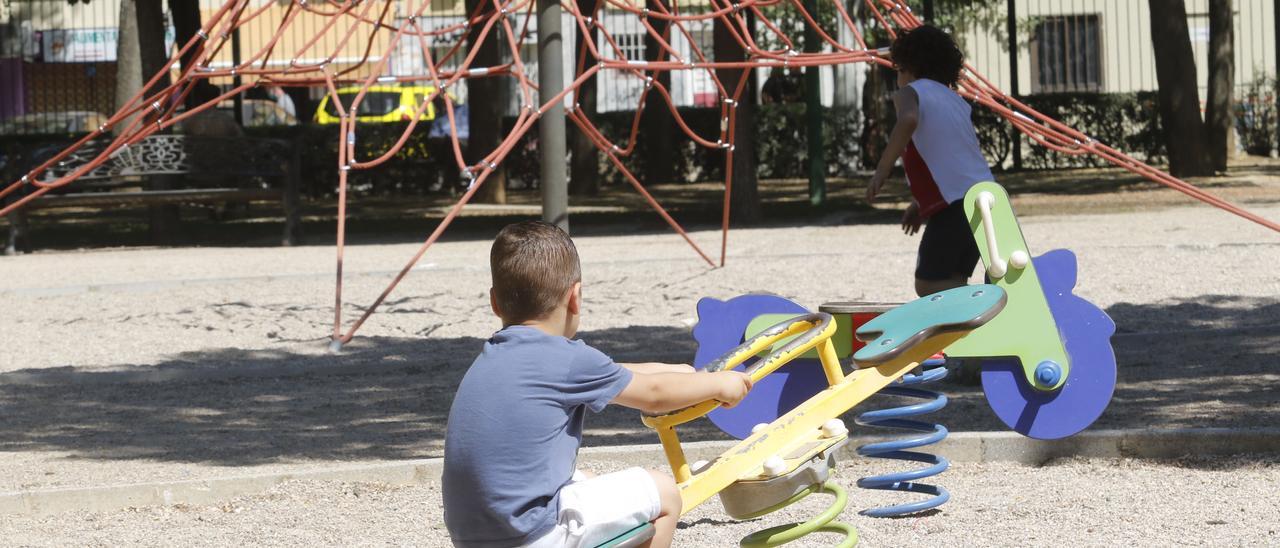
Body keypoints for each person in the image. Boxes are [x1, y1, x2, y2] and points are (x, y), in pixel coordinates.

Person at [442, 221, 754, 548]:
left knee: (586, 481)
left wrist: (682, 372)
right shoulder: (567, 360)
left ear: (495, 302)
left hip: (474, 537)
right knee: (664, 493)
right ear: (575, 297)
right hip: (531, 534)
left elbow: (618, 371)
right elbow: (654, 395)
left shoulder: (496, 357)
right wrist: (719, 385)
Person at [864, 24, 994, 298]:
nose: (897, 78)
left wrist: (881, 172)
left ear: (909, 68)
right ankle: (968, 329)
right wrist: (920, 203)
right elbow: (956, 160)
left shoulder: (910, 93)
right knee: (953, 278)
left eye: (898, 70)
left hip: (955, 208)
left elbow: (908, 120)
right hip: (986, 202)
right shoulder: (956, 101)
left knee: (928, 284)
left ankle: (990, 308)